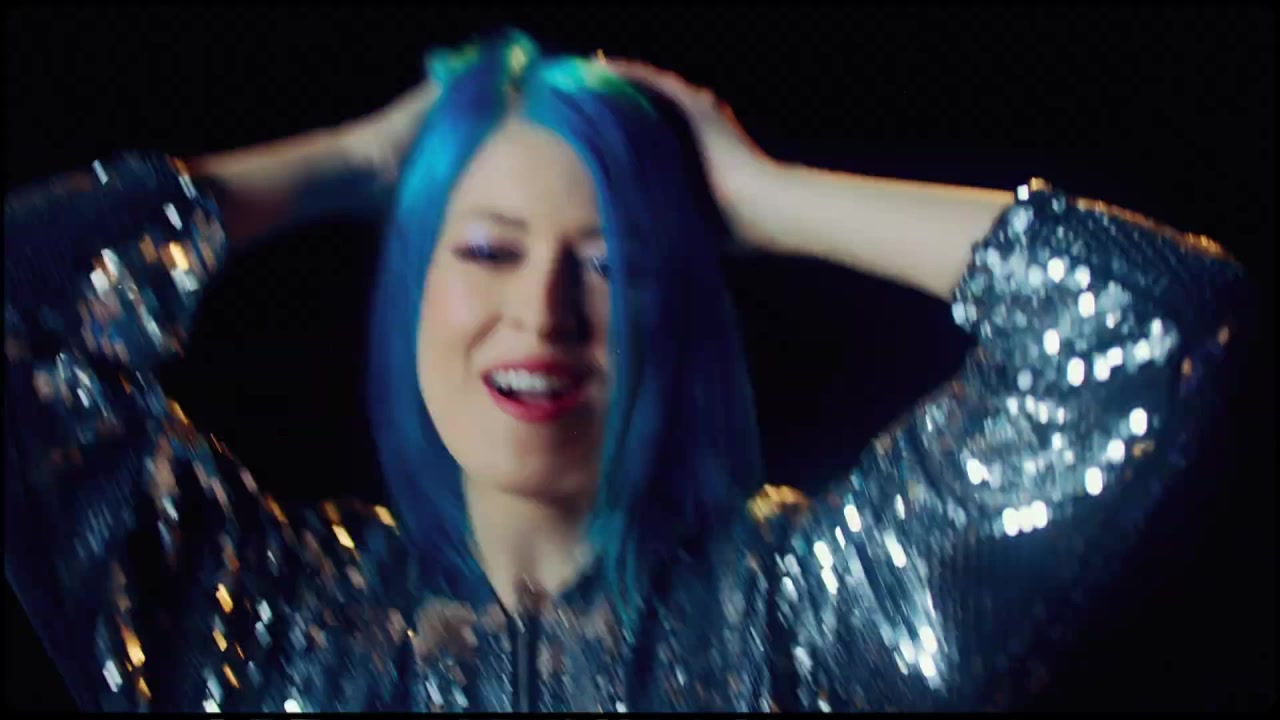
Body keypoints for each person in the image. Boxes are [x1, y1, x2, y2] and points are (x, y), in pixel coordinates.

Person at [3, 30, 1247, 712]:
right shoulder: (263, 630)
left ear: (673, 310)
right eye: (488, 250)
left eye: (608, 266)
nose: (541, 313)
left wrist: (771, 197)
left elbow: (1155, 319)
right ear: (410, 285)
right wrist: (345, 164)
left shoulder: (804, 620)